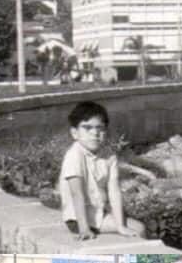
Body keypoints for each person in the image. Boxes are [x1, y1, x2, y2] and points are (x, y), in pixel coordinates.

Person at [59, 101, 143, 241]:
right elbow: (76, 194)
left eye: (100, 128)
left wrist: (120, 225)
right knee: (138, 230)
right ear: (74, 133)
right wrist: (84, 229)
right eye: (87, 128)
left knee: (137, 228)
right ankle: (134, 262)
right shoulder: (74, 155)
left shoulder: (109, 156)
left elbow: (114, 191)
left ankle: (134, 260)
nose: (95, 133)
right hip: (79, 219)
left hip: (99, 213)